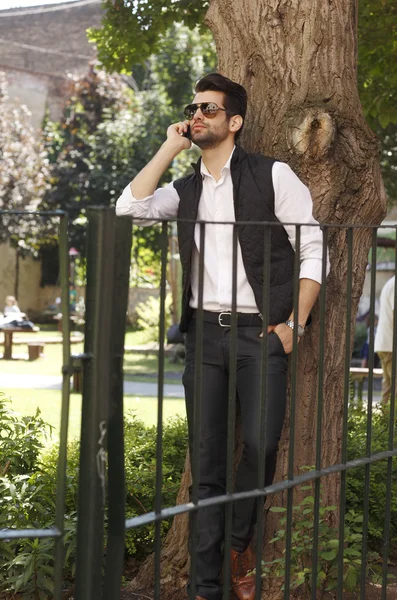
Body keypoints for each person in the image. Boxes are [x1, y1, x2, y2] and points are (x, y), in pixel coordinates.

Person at [116, 73, 329, 600]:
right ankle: (205, 587)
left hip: (263, 334)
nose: (198, 114)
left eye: (209, 108)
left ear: (234, 121)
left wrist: (294, 327)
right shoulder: (185, 188)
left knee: (260, 444)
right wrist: (170, 144)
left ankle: (238, 542)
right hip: (205, 337)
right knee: (207, 463)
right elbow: (130, 207)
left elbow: (313, 248)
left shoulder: (272, 175)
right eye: (194, 108)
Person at [375, 275, 396, 405]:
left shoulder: (391, 282)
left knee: (388, 388)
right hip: (391, 345)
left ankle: (384, 422)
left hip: (386, 343)